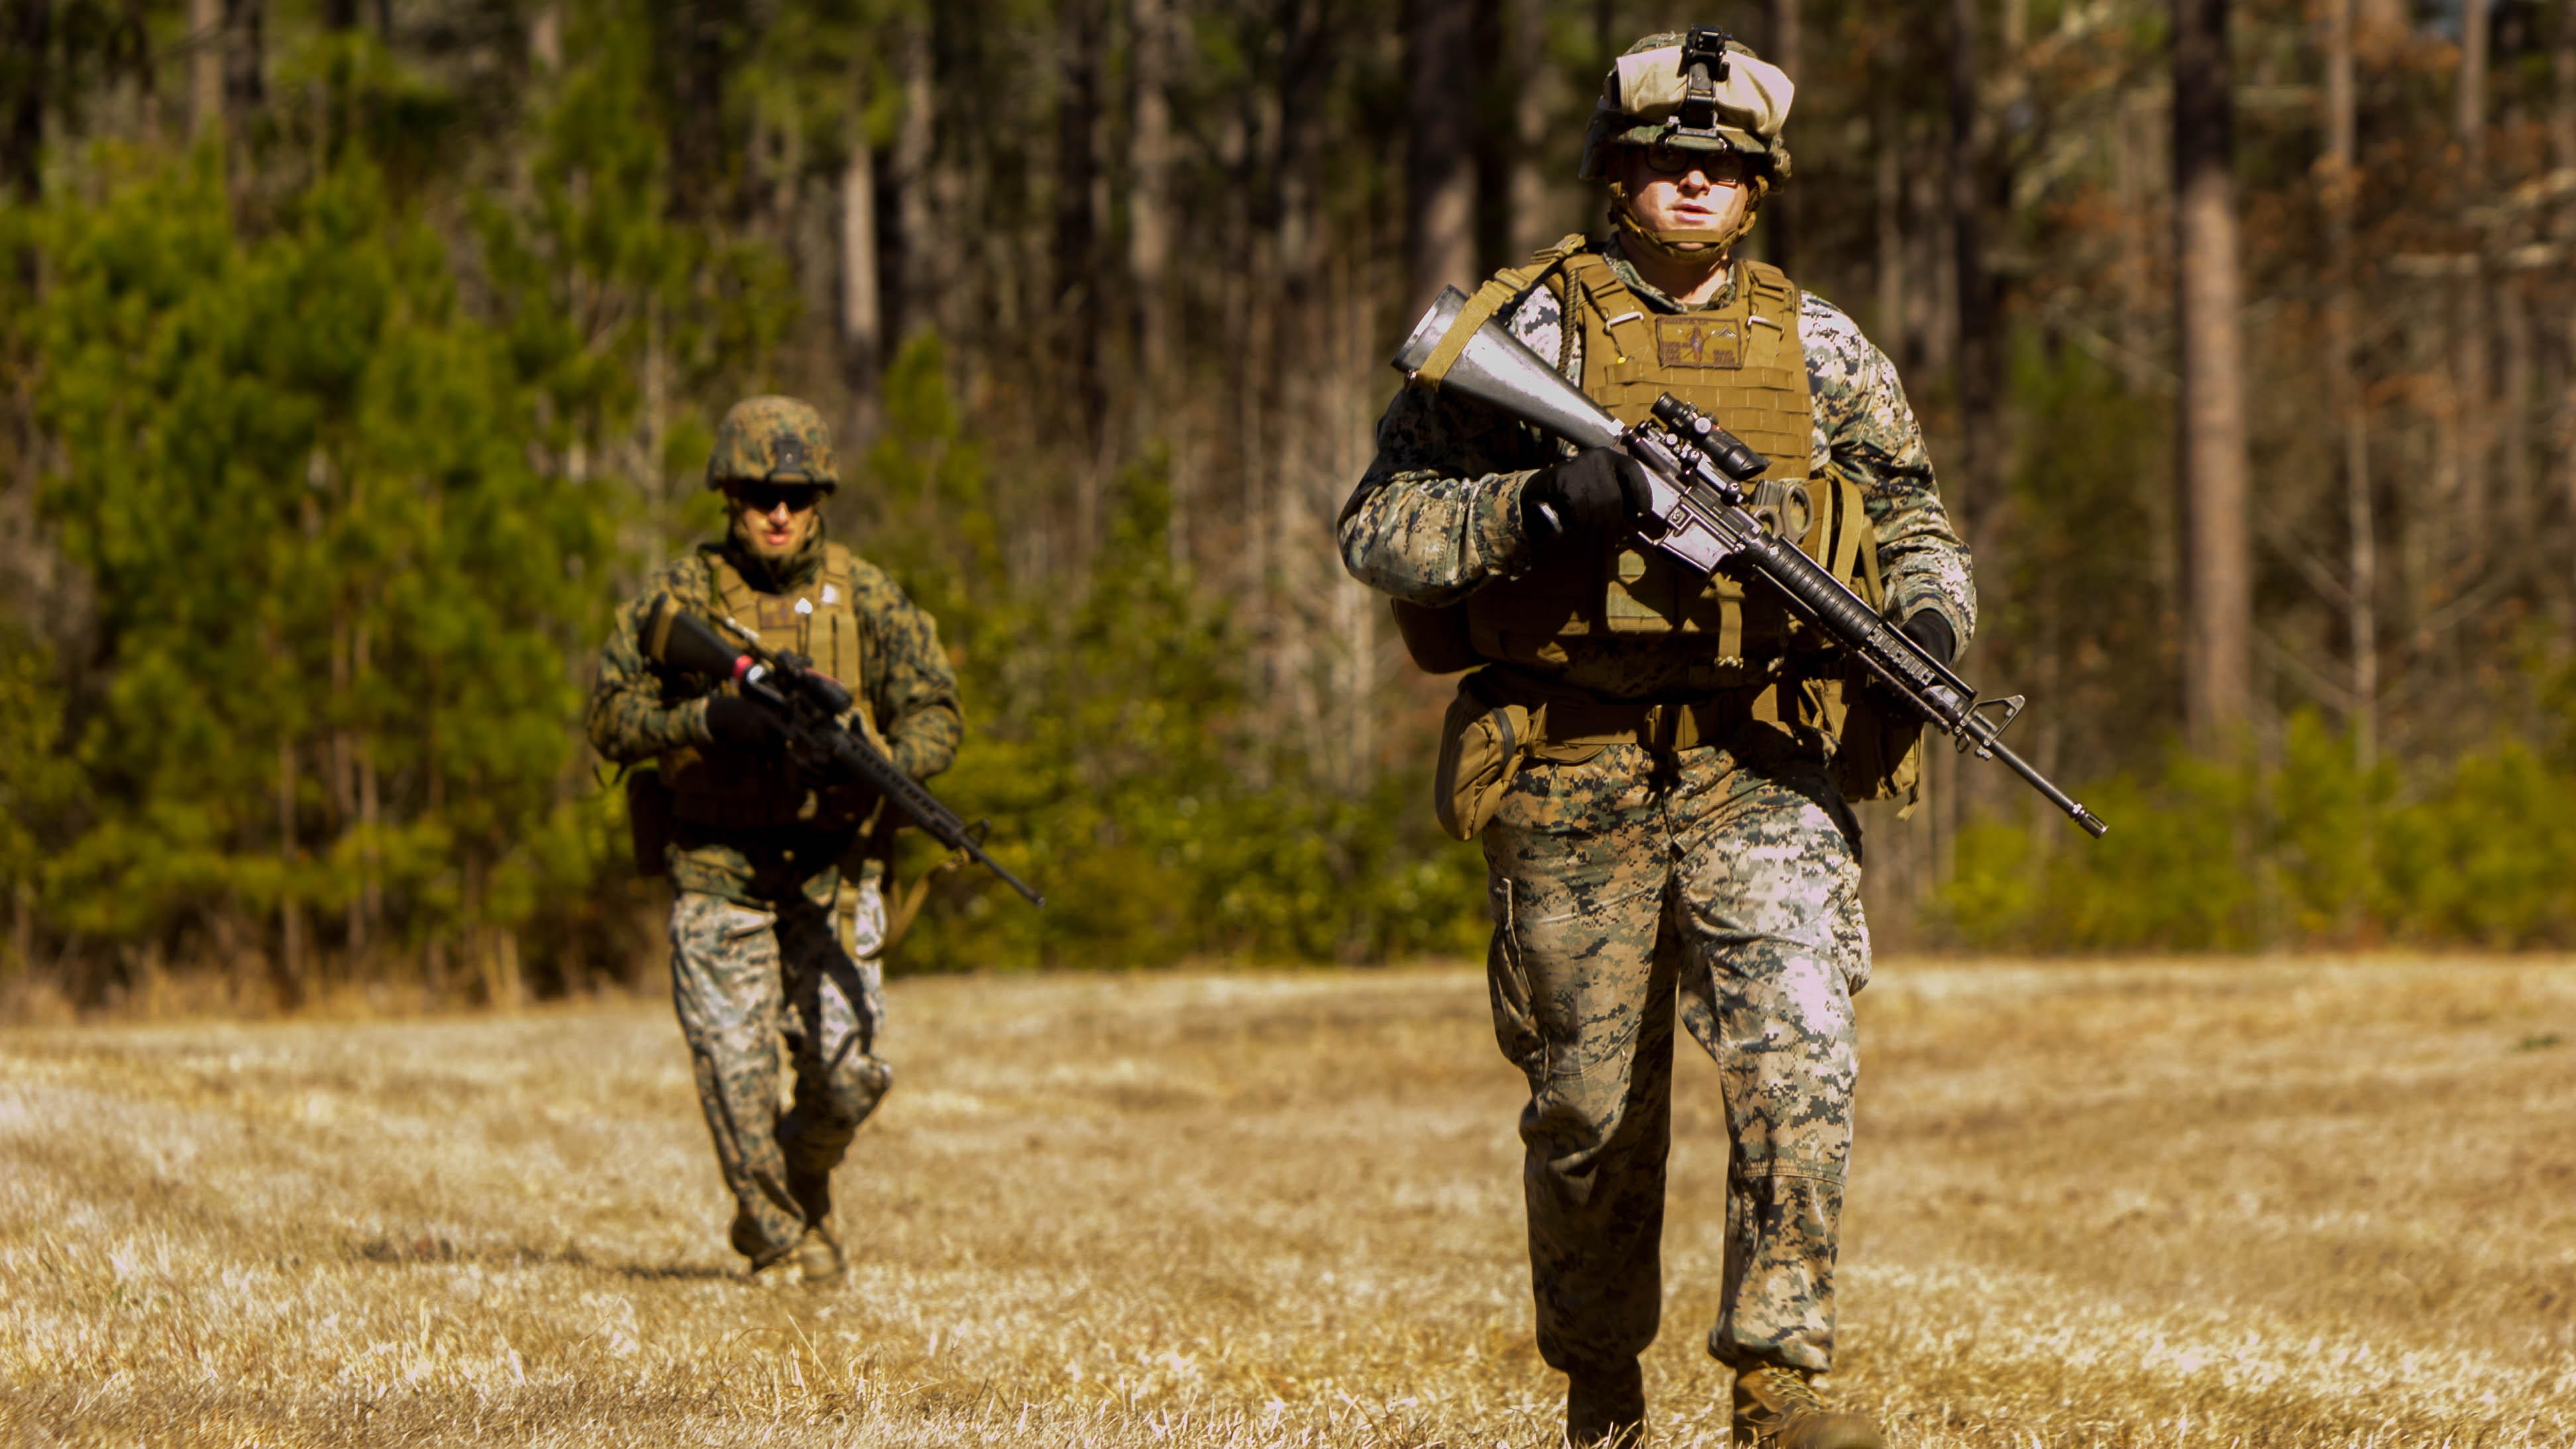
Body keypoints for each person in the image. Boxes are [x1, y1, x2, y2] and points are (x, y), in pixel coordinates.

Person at [1340, 29, 1975, 1449]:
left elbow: (1919, 515)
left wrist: (1927, 624)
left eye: (1725, 166)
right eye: (1667, 160)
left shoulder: (1822, 347)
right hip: (1567, 756)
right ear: (1616, 172)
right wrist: (1536, 508)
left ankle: (1777, 1380)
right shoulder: (1524, 334)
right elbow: (1375, 529)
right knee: (1587, 1109)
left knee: (1800, 1049)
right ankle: (1601, 1381)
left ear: (1759, 191)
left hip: (1763, 755)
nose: (1695, 182)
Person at [587, 396, 962, 1285]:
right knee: (736, 1083)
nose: (779, 512)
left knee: (850, 1075)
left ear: (821, 496)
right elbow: (608, 717)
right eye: (760, 493)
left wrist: (873, 763)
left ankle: (802, 1181)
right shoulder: (676, 599)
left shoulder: (867, 597)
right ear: (728, 493)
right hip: (718, 870)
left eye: (796, 493)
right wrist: (709, 721)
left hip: (833, 873)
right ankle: (783, 1240)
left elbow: (938, 714)